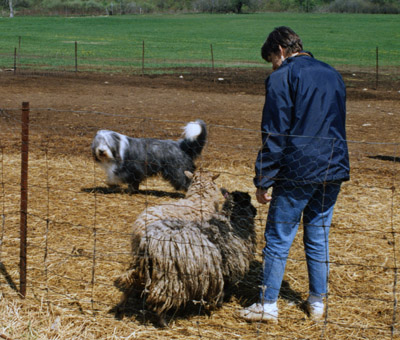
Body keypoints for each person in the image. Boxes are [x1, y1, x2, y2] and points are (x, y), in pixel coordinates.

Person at [239, 26, 350, 322]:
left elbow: (274, 132)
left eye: (272, 60)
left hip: (298, 169)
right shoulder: (332, 73)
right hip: (334, 166)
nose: (274, 66)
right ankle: (316, 302)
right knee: (318, 234)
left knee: (278, 237)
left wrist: (264, 179)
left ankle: (268, 304)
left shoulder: (282, 76)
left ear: (280, 51)